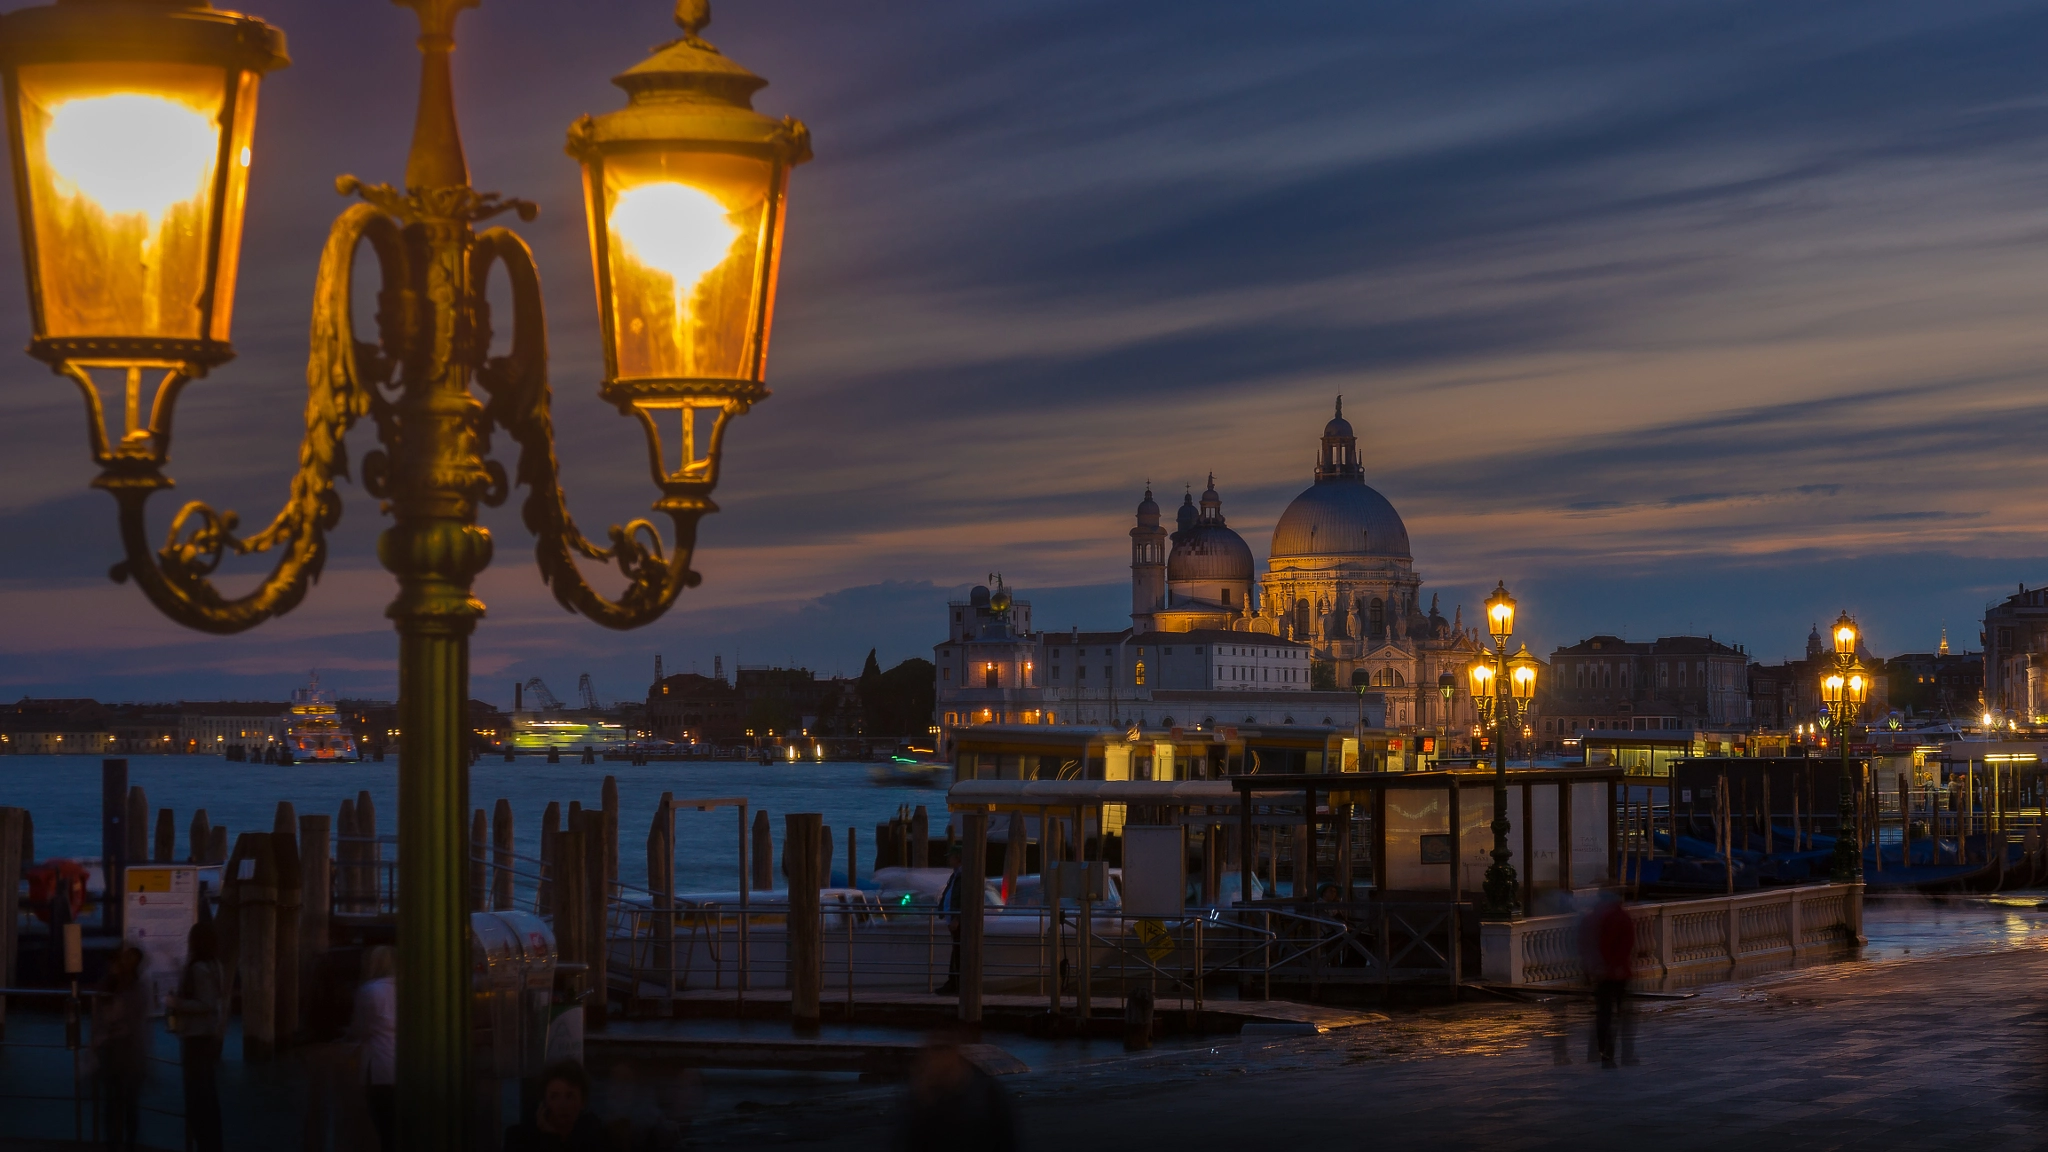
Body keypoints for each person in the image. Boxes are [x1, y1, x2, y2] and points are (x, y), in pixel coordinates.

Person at [897, 1028, 1016, 1152]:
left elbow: (1006, 1140)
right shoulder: (918, 1096)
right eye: (935, 1049)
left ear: (955, 1051)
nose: (940, 1056)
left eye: (945, 1048)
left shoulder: (988, 1092)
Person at [171, 921, 228, 1152]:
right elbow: (216, 1001)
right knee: (208, 1098)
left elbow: (205, 1003)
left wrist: (177, 1003)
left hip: (195, 1039)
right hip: (209, 1038)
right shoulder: (216, 966)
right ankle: (213, 1145)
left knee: (196, 1101)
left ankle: (205, 1145)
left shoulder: (198, 968)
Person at [94, 945, 151, 1152]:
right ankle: (124, 1145)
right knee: (123, 1107)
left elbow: (108, 1021)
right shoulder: (131, 988)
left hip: (120, 1055)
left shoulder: (119, 988)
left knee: (118, 1107)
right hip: (123, 1056)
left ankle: (119, 1145)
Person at [504, 1060, 617, 1152]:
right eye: (554, 1096)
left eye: (570, 1096)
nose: (563, 1105)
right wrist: (549, 1138)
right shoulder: (519, 1139)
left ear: (582, 1101)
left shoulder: (597, 1140)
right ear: (544, 1102)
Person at [350, 945, 398, 1151]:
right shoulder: (407, 989)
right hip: (407, 1064)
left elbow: (360, 1029)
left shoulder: (369, 991)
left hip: (379, 1064)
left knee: (383, 1122)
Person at [1580, 891, 1636, 1068]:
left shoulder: (1592, 918)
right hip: (1617, 972)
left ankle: (1603, 1052)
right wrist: (1614, 966)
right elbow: (1626, 946)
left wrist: (1592, 967)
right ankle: (1624, 1054)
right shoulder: (1621, 917)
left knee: (1603, 1014)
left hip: (1599, 972)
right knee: (1622, 1015)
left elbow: (1585, 944)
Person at [935, 844, 965, 994]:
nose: (949, 860)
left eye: (951, 857)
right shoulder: (955, 875)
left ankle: (955, 984)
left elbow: (965, 899)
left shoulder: (963, 876)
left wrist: (957, 919)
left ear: (957, 858)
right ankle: (953, 982)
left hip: (958, 921)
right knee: (956, 951)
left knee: (958, 952)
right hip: (951, 919)